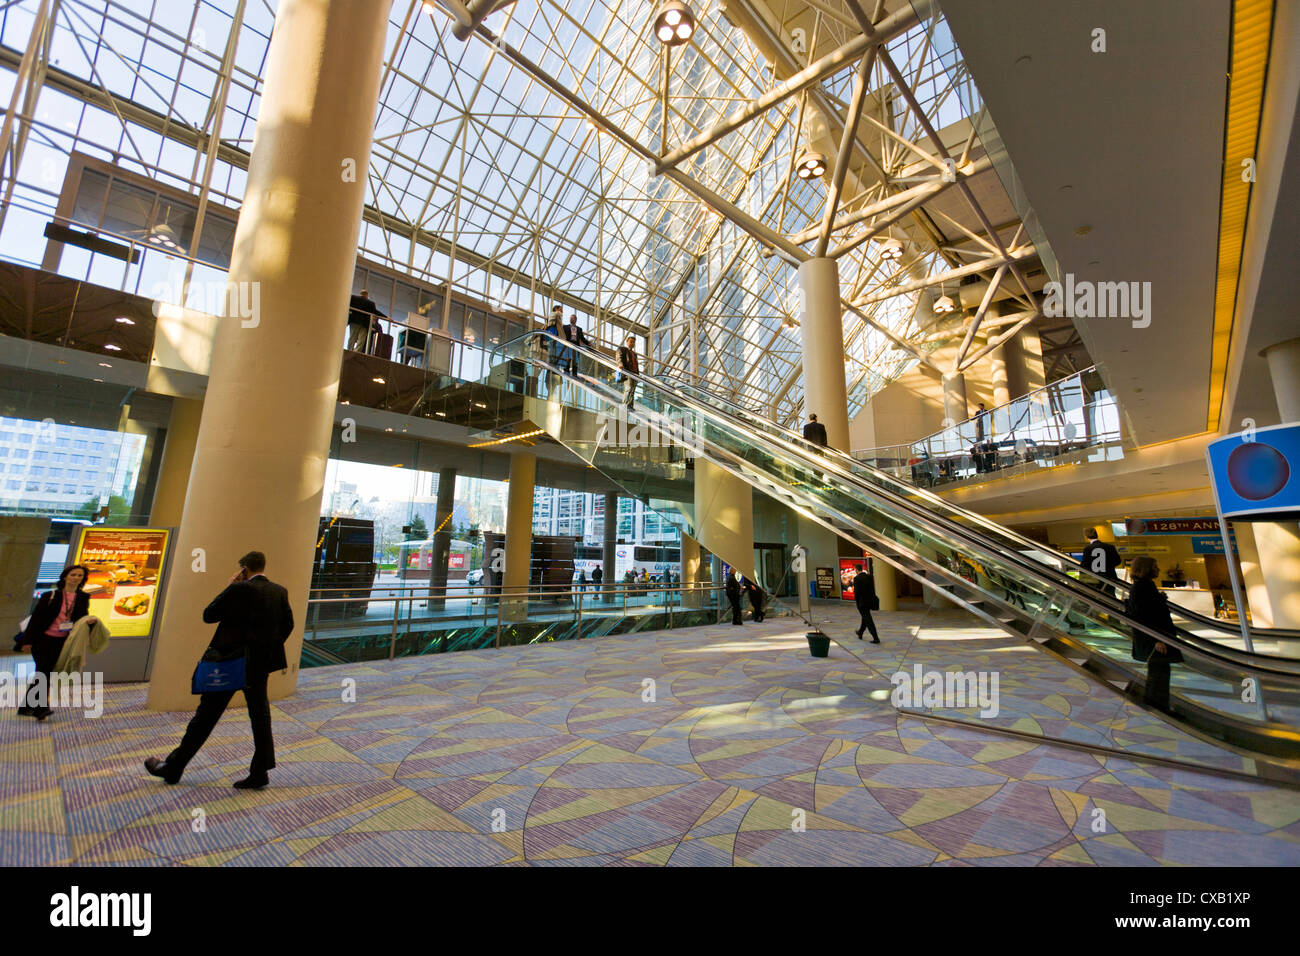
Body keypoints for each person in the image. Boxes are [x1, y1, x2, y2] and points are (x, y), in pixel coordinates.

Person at [145, 551, 294, 790]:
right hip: (258, 665)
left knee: (205, 717)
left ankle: (174, 767)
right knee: (260, 717)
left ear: (244, 569)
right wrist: (265, 648)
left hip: (229, 662)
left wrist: (229, 587)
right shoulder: (279, 591)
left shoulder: (238, 589)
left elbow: (209, 615)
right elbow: (288, 625)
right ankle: (260, 772)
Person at [18, 565, 92, 719]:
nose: (76, 578)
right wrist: (27, 642)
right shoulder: (50, 595)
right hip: (43, 640)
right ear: (65, 577)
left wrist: (90, 623)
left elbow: (81, 618)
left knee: (45, 672)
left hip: (62, 642)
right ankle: (41, 708)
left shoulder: (83, 598)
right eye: (73, 574)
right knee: (44, 672)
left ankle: (26, 707)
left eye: (80, 575)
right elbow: (37, 619)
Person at [1125, 556, 1183, 713]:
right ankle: (1157, 707)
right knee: (1159, 674)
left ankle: (1157, 705)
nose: (1158, 569)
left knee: (1158, 673)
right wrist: (1156, 640)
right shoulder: (1142, 587)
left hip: (1155, 637)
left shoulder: (1144, 586)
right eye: (1155, 566)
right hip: (1155, 639)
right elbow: (1144, 615)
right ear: (1146, 568)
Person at [1080, 526, 1122, 596]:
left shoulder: (1088, 549)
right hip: (1109, 578)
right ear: (1097, 534)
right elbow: (1117, 561)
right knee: (1110, 597)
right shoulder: (1110, 546)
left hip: (1094, 580)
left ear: (1086, 537)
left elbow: (1085, 565)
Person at [852, 566, 881, 643]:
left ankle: (876, 637)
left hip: (862, 603)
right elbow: (872, 589)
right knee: (865, 617)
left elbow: (856, 592)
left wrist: (857, 602)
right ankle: (860, 632)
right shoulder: (869, 577)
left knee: (868, 620)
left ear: (856, 570)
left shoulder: (857, 578)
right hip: (870, 601)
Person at [617, 335, 640, 407]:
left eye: (634, 342)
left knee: (632, 390)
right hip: (628, 372)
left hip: (635, 374)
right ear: (627, 342)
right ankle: (624, 405)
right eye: (631, 342)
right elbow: (619, 357)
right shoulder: (622, 349)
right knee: (629, 388)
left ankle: (630, 406)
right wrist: (620, 364)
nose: (632, 343)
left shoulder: (634, 354)